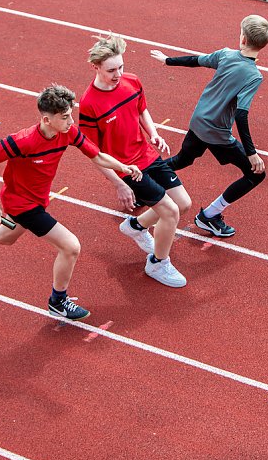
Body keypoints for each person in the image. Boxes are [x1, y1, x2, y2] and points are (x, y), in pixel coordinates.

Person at [0, 85, 142, 321]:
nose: (70, 121)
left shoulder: (69, 132)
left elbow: (97, 155)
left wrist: (123, 167)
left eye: (70, 115)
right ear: (47, 119)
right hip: (20, 203)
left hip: (38, 198)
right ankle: (58, 301)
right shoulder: (23, 141)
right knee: (70, 246)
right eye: (65, 117)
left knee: (5, 236)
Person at [79, 34, 192, 288]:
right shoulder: (89, 103)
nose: (118, 74)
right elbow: (93, 153)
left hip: (148, 155)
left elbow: (141, 109)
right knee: (170, 212)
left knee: (183, 204)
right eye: (111, 70)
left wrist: (153, 133)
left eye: (120, 67)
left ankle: (135, 226)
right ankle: (157, 263)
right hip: (126, 168)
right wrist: (119, 183)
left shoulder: (132, 81)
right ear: (95, 67)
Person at [149, 14, 268, 238]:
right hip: (217, 133)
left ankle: (144, 181)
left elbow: (196, 60)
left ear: (242, 39)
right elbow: (241, 115)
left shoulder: (225, 55)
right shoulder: (254, 76)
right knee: (256, 175)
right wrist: (252, 153)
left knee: (182, 160)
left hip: (198, 122)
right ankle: (210, 216)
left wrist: (168, 60)